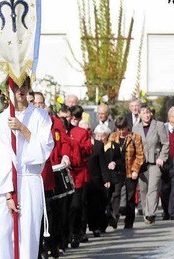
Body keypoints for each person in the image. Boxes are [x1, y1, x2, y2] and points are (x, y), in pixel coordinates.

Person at [0, 77, 54, 259]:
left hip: (29, 181)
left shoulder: (40, 116)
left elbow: (44, 148)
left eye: (24, 86)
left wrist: (23, 129)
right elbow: (0, 159)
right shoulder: (1, 120)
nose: (20, 90)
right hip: (6, 185)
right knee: (1, 238)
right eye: (16, 86)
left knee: (27, 236)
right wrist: (8, 194)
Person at [33, 92, 71, 258]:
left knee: (53, 211)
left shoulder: (53, 121)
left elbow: (64, 141)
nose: (38, 106)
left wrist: (65, 155)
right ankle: (40, 247)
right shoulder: (26, 122)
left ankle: (54, 243)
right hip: (34, 173)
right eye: (35, 103)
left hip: (51, 171)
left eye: (40, 103)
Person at [132, 105, 169, 224]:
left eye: (148, 113)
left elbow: (165, 143)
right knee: (143, 189)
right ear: (140, 115)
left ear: (151, 114)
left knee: (153, 188)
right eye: (143, 113)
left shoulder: (159, 125)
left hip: (155, 161)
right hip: (141, 163)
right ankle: (145, 211)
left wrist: (162, 157)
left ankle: (150, 214)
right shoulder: (136, 128)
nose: (146, 115)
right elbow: (133, 146)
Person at [108, 116, 144, 228]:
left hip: (130, 170)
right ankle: (114, 216)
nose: (121, 132)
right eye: (119, 129)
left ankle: (129, 221)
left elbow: (140, 155)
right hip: (118, 171)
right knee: (115, 194)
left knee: (130, 196)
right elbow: (108, 152)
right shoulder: (112, 137)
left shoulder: (135, 137)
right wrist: (110, 162)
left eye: (123, 129)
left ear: (127, 127)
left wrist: (135, 170)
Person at [86, 125, 120, 235]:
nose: (100, 137)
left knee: (99, 203)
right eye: (98, 135)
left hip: (97, 178)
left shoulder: (98, 145)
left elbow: (102, 163)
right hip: (85, 178)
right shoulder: (82, 145)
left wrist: (106, 179)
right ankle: (92, 226)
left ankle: (100, 226)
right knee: (89, 205)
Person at [67, 105, 92, 247]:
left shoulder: (81, 132)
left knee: (78, 205)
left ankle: (77, 232)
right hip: (65, 172)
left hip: (79, 173)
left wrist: (76, 145)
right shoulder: (64, 130)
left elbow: (88, 149)